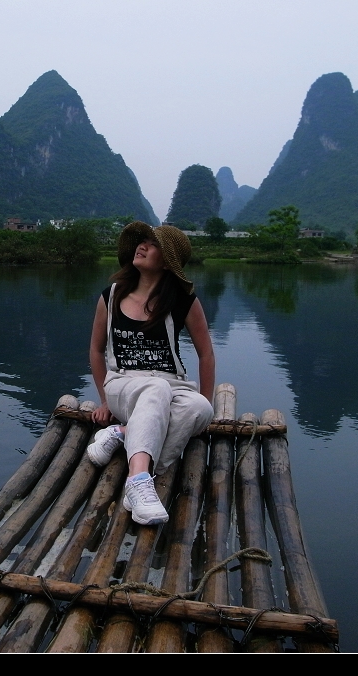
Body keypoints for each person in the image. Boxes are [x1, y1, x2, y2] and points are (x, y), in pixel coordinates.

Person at [87, 222, 215, 525]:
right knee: (155, 389)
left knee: (198, 407)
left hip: (173, 385)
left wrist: (208, 405)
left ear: (168, 261)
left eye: (151, 244)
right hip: (123, 384)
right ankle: (140, 479)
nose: (141, 247)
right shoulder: (111, 296)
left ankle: (123, 434)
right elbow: (95, 351)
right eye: (141, 242)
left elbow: (206, 353)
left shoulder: (183, 301)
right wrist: (105, 401)